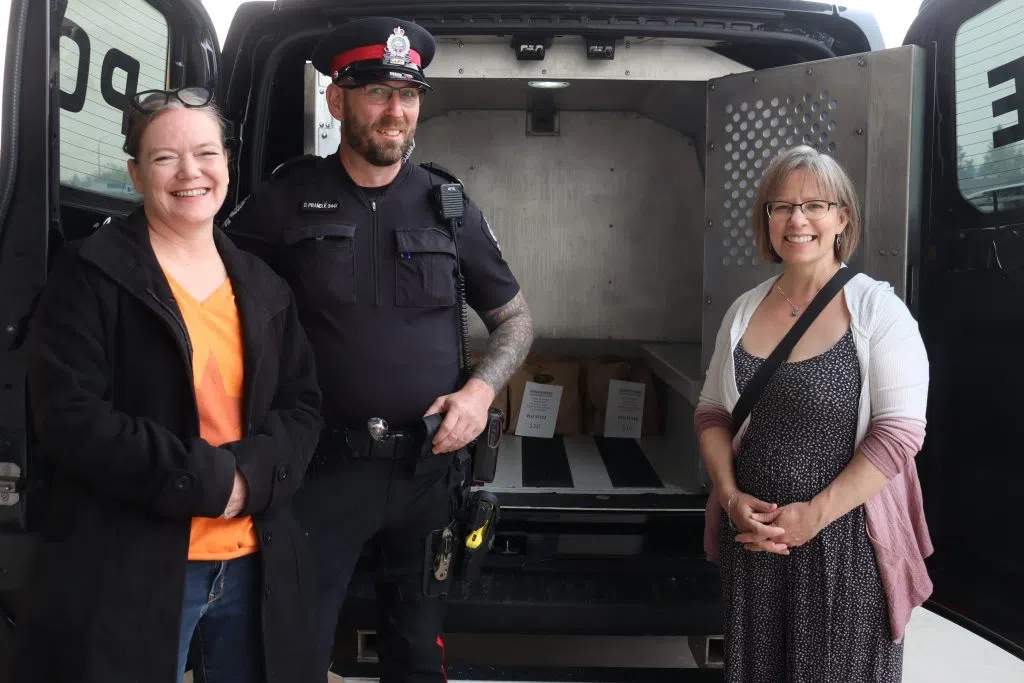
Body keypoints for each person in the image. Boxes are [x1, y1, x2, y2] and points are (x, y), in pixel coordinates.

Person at [222, 17, 534, 682]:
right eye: (377, 93)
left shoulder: (447, 205)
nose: (397, 111)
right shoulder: (283, 199)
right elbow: (213, 295)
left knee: (417, 654)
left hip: (427, 470)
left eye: (409, 94)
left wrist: (480, 392)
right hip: (317, 471)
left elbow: (515, 320)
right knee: (294, 653)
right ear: (338, 101)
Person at [11, 87, 324, 683]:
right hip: (137, 568)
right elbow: (69, 416)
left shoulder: (261, 285)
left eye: (206, 153)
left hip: (255, 566)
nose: (190, 173)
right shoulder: (90, 273)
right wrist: (209, 482)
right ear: (134, 173)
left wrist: (248, 480)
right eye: (164, 158)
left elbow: (302, 406)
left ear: (227, 163)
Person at [694, 145, 934, 682]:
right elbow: (712, 414)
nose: (796, 219)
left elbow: (899, 434)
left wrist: (813, 517)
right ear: (768, 220)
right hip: (756, 547)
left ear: (842, 217)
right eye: (780, 206)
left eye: (815, 205)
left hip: (845, 548)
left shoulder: (878, 310)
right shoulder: (744, 309)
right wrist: (731, 498)